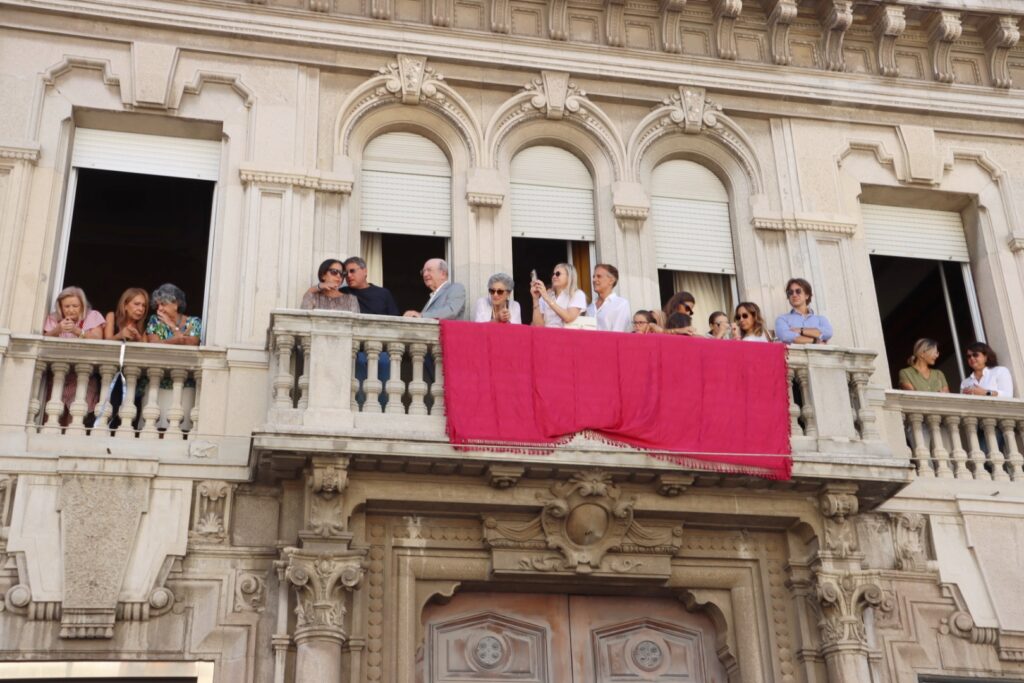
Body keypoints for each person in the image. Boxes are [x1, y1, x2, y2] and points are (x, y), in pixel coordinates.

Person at [42, 286, 104, 423]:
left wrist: (77, 331)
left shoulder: (92, 316)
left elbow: (98, 340)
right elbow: (43, 339)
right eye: (67, 306)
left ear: (82, 305)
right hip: (58, 376)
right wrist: (57, 330)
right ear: (60, 307)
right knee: (52, 418)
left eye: (75, 305)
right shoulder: (53, 319)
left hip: (83, 376)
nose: (70, 310)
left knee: (75, 418)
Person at [774, 278, 832, 344]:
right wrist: (815, 340)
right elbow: (785, 336)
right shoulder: (782, 319)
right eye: (790, 292)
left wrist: (800, 330)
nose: (794, 295)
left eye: (798, 291)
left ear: (807, 295)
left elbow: (828, 333)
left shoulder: (820, 319)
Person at [530, 263, 587, 328]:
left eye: (558, 274)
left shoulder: (577, 294)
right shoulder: (547, 295)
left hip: (566, 336)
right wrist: (535, 299)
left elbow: (568, 317)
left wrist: (546, 298)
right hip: (547, 335)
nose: (554, 276)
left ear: (569, 277)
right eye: (553, 274)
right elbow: (538, 326)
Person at [586, 264, 631, 332]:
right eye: (594, 277)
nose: (594, 280)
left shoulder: (621, 304)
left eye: (599, 276)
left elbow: (618, 332)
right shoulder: (590, 307)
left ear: (611, 281)